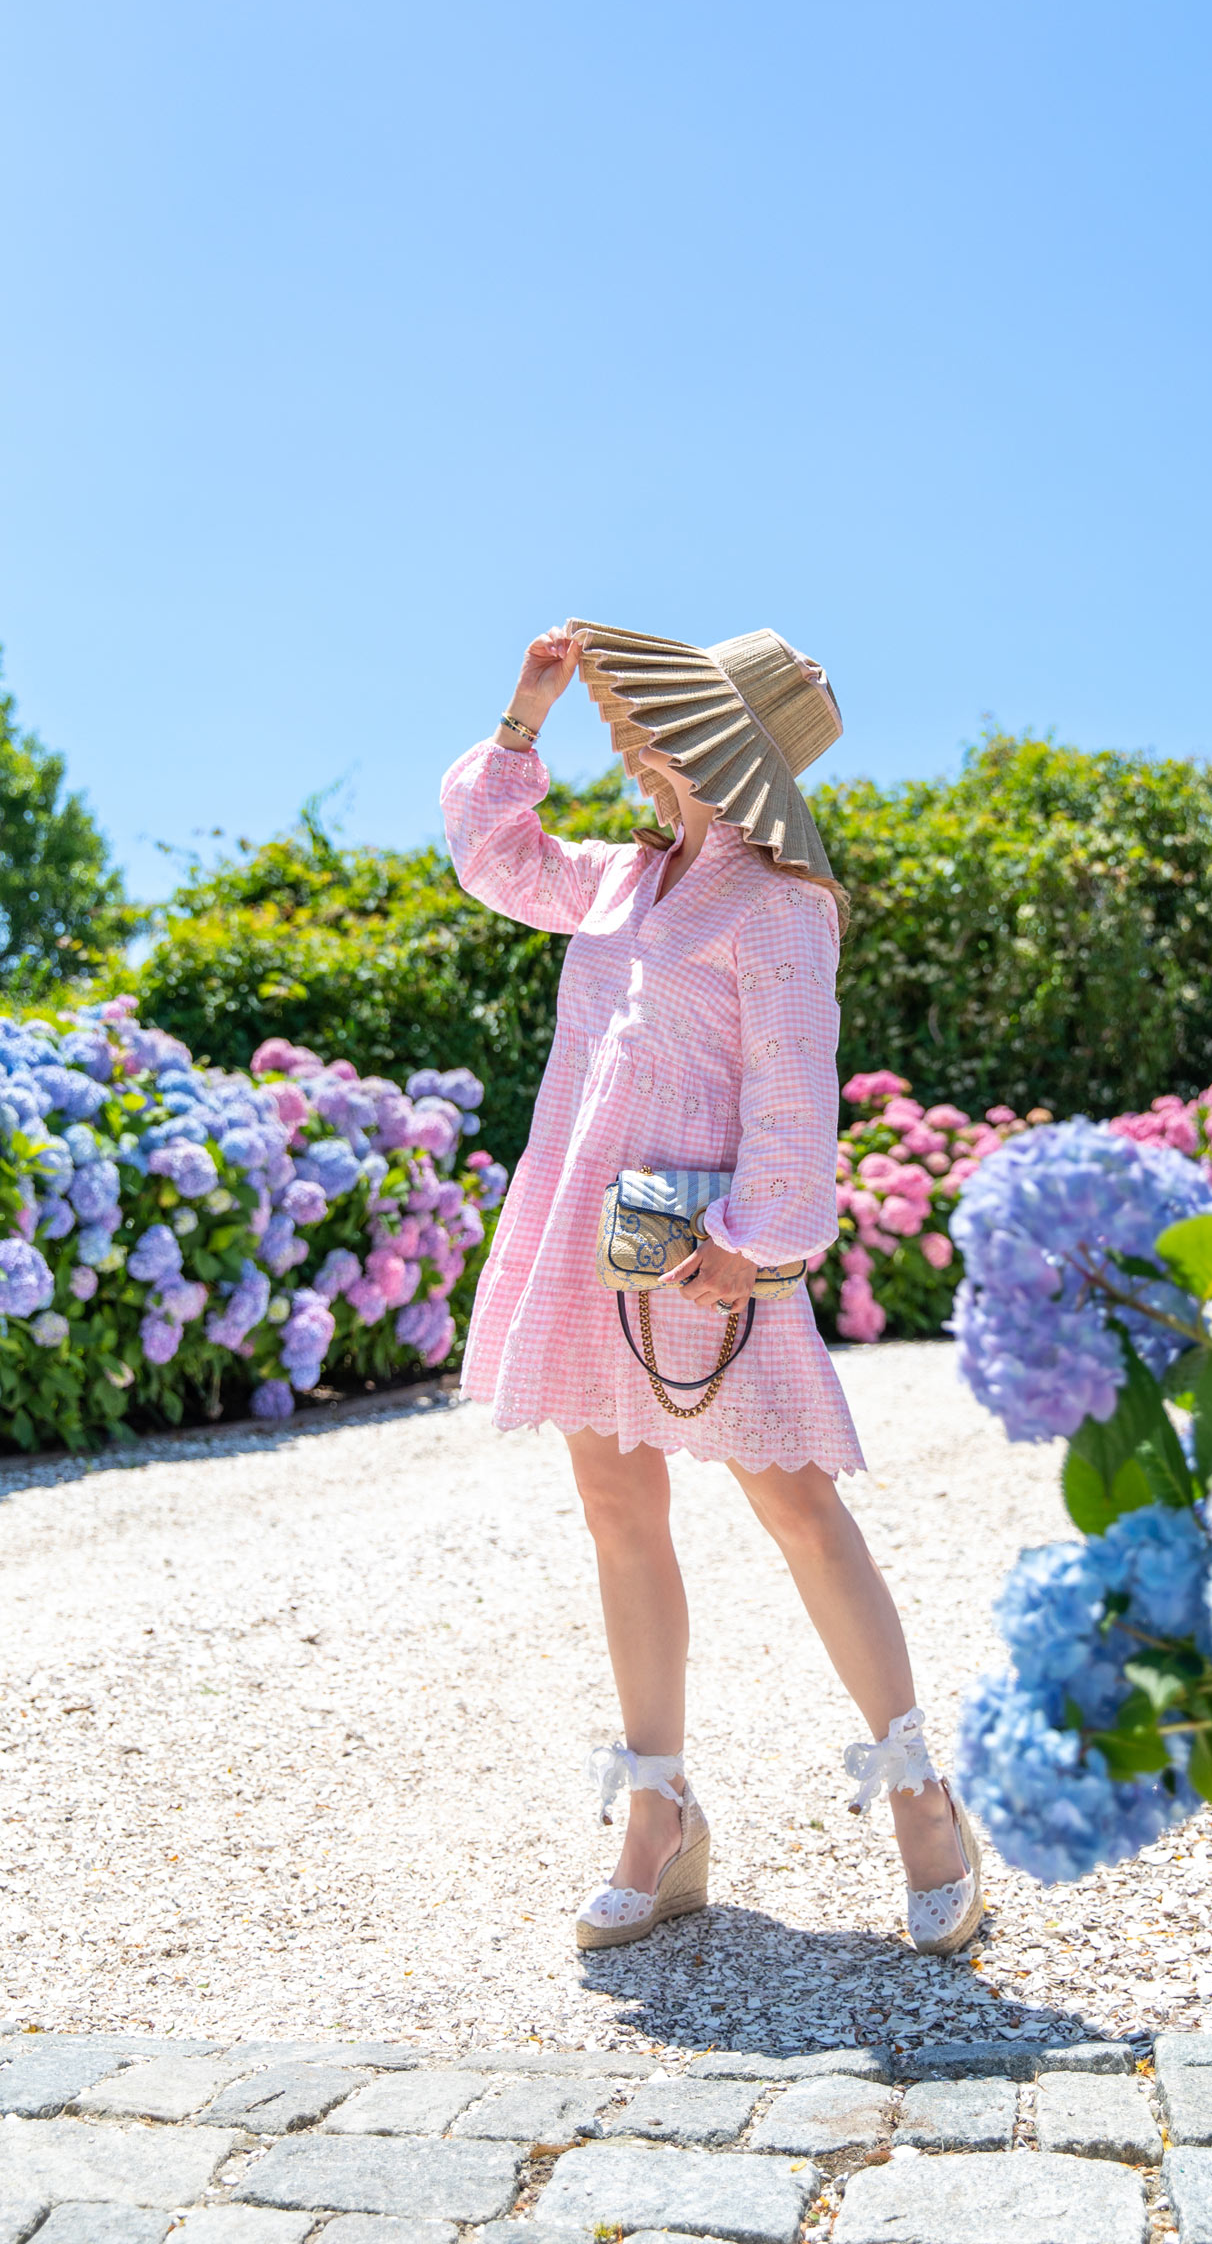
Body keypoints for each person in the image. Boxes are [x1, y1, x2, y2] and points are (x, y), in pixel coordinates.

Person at [441, 618, 981, 1956]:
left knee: (799, 1510)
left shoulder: (780, 901)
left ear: (717, 744)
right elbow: (500, 861)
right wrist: (525, 716)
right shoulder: (623, 878)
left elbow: (795, 1093)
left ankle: (921, 1792)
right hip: (594, 1237)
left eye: (649, 724)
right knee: (617, 1508)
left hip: (708, 1247)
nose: (627, 741)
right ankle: (660, 1814)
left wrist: (755, 1239)